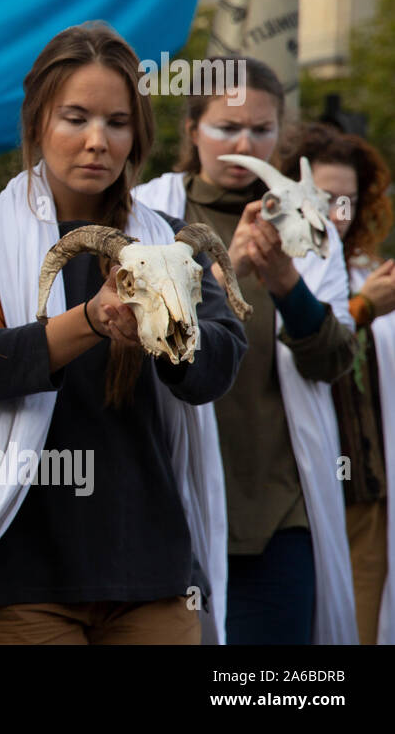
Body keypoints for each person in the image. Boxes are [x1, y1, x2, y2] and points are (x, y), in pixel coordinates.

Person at [0, 24, 246, 644]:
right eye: (74, 117)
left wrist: (167, 325)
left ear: (138, 136)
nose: (98, 141)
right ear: (36, 122)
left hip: (150, 577)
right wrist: (93, 319)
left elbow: (215, 367)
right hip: (13, 576)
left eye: (117, 123)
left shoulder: (172, 243)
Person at [134, 59, 358, 644]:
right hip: (165, 497)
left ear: (281, 134)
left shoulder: (310, 227)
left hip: (279, 502)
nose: (243, 143)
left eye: (260, 130)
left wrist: (286, 282)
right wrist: (218, 273)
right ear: (192, 130)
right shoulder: (146, 214)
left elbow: (334, 360)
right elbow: (145, 339)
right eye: (226, 127)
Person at [280, 123, 395, 644]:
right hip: (294, 503)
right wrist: (363, 307)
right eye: (325, 200)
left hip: (366, 493)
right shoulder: (273, 274)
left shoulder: (371, 273)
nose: (337, 216)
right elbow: (299, 349)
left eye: (348, 201)